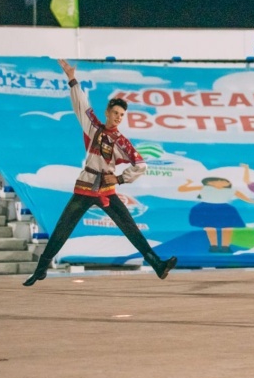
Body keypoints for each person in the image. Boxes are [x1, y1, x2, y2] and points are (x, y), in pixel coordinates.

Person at [23, 59, 177, 286]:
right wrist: (72, 78)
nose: (118, 117)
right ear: (107, 112)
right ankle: (41, 269)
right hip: (85, 187)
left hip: (107, 191)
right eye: (115, 112)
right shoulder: (93, 127)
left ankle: (157, 264)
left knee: (130, 228)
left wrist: (120, 178)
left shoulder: (122, 142)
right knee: (62, 229)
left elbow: (141, 165)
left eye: (122, 115)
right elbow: (81, 104)